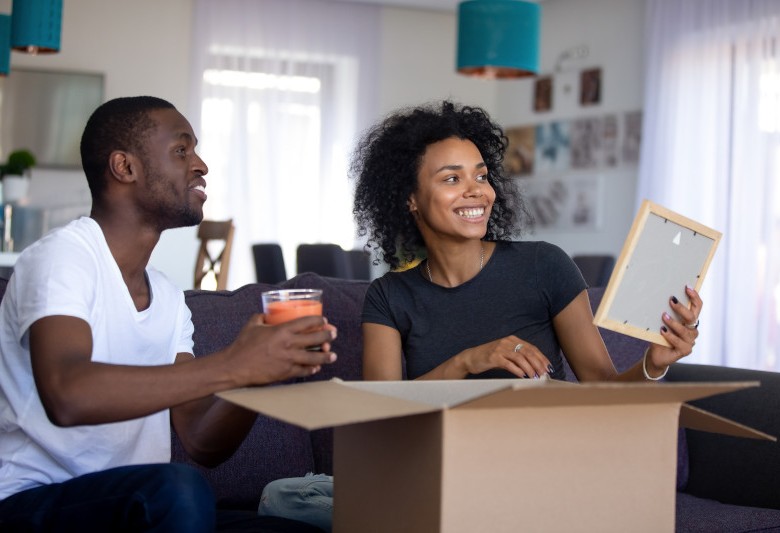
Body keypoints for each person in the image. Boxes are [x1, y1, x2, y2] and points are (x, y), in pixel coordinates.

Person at [0, 96, 337, 532]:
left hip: (135, 505)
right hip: (34, 502)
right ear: (125, 167)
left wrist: (257, 376)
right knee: (176, 490)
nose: (200, 165)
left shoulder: (165, 295)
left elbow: (201, 440)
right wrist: (232, 363)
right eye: (182, 150)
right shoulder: (63, 258)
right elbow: (68, 393)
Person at [352, 100, 701, 382]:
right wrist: (467, 362)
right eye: (452, 178)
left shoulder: (544, 266)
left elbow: (603, 388)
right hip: (450, 461)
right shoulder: (389, 297)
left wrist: (653, 365)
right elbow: (383, 417)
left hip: (546, 454)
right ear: (409, 197)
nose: (476, 190)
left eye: (481, 175)